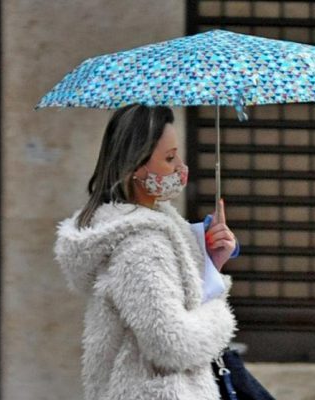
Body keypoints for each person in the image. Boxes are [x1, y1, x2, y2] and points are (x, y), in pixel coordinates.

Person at [53, 104, 239, 400]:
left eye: (177, 155)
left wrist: (211, 264)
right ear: (136, 167)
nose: (181, 167)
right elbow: (171, 343)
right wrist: (221, 316)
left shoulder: (145, 229)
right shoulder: (141, 245)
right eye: (169, 158)